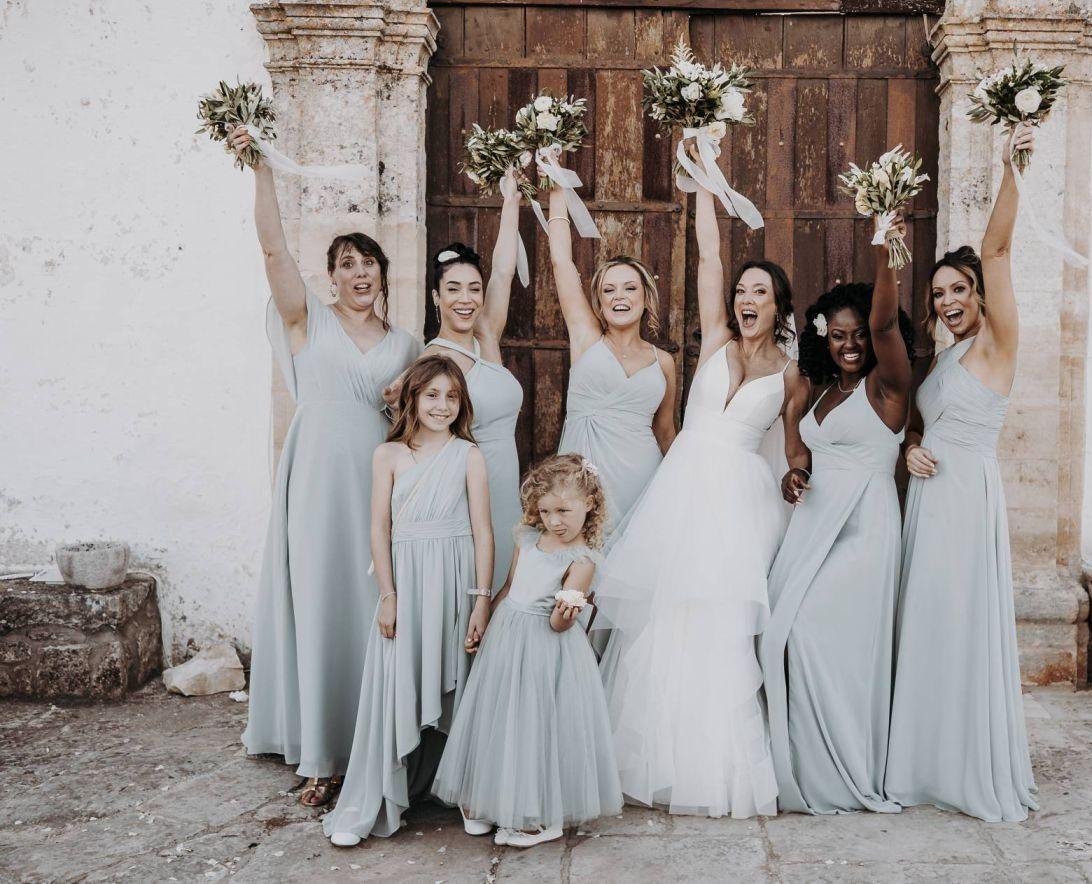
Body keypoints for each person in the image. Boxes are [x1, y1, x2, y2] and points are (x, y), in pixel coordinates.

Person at [592, 180, 808, 819]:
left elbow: (794, 446)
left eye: (758, 292)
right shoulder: (716, 338)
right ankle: (648, 763)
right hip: (684, 488)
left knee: (720, 626)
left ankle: (715, 772)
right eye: (741, 291)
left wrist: (798, 475)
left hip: (739, 500)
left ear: (778, 305)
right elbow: (709, 256)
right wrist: (707, 182)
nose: (745, 300)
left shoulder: (791, 374)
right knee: (666, 618)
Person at [232, 125, 421, 808]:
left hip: (375, 482)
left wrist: (401, 404)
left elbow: (421, 421)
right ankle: (319, 754)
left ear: (382, 275)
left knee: (372, 603)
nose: (359, 273)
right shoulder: (306, 319)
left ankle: (370, 743)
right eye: (346, 264)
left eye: (368, 264)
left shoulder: (406, 344)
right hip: (315, 476)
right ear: (332, 276)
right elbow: (273, 249)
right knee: (318, 599)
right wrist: (261, 168)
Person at [886, 125, 1040, 823]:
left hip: (967, 502)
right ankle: (924, 762)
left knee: (960, 623)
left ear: (980, 294)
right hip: (929, 499)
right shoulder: (946, 359)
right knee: (928, 624)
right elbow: (926, 424)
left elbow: (999, 249)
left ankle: (965, 762)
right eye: (939, 292)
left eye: (959, 288)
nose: (947, 300)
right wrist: (909, 448)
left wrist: (1012, 166)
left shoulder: (996, 345)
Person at [759, 231, 915, 814]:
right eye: (839, 334)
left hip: (864, 527)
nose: (851, 344)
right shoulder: (824, 390)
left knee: (814, 635)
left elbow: (886, 325)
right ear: (824, 337)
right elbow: (804, 455)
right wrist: (794, 475)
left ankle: (845, 765)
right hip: (814, 527)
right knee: (780, 634)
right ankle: (804, 763)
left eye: (859, 334)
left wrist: (884, 245)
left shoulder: (887, 386)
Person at [323, 357, 494, 847]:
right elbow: (379, 529)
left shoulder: (469, 455)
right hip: (408, 580)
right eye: (432, 395)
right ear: (413, 398)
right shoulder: (388, 455)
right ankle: (379, 793)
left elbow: (483, 532)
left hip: (456, 578)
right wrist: (389, 595)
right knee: (400, 677)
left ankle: (468, 793)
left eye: (452, 397)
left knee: (459, 680)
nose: (442, 406)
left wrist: (481, 600)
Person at [432, 455, 622, 849]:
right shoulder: (528, 539)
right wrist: (485, 621)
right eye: (546, 511)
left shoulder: (582, 561)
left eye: (563, 511)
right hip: (507, 637)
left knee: (534, 724)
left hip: (545, 648)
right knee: (498, 717)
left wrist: (566, 614)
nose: (554, 521)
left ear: (589, 503)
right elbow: (509, 587)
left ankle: (540, 816)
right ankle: (488, 798)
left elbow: (558, 624)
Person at [394, 173, 525, 590]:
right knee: (471, 588)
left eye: (473, 289)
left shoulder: (487, 336)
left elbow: (503, 271)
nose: (465, 299)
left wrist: (511, 199)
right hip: (464, 493)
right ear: (436, 297)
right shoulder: (431, 361)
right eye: (453, 289)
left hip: (506, 483)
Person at [545, 179, 678, 535]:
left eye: (630, 288)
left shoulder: (664, 362)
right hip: (583, 479)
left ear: (645, 298)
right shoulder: (587, 338)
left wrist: (682, 489)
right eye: (609, 290)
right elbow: (560, 261)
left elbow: (666, 433)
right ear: (600, 302)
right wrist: (555, 185)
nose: (620, 296)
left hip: (643, 479)